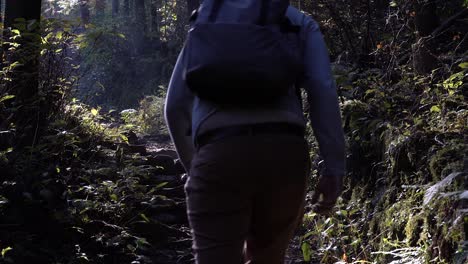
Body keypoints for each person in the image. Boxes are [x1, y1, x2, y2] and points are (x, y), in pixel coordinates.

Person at [164, 4, 346, 264]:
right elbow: (323, 90)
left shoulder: (208, 19)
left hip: (218, 152)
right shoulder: (296, 21)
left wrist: (195, 167)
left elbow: (174, 107)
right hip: (284, 154)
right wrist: (334, 167)